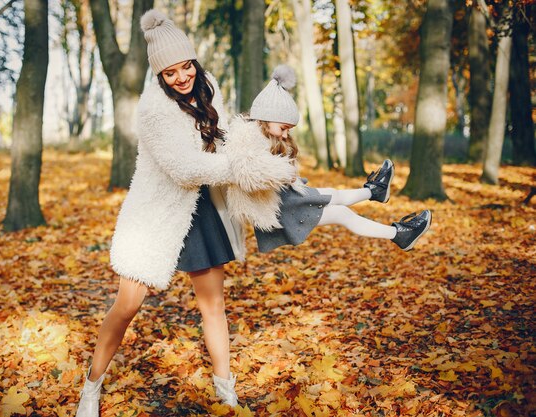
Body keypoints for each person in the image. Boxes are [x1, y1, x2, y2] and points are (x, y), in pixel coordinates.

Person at [75, 10, 297, 417]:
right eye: (170, 72)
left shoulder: (207, 86)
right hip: (157, 215)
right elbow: (184, 168)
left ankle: (225, 389)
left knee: (213, 305)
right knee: (126, 307)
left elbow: (224, 138)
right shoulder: (153, 111)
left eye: (185, 67)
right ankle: (91, 387)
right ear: (158, 76)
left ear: (194, 62)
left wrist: (259, 142)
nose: (181, 78)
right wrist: (242, 169)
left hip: (202, 211)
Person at [222, 65, 432, 253]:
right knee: (342, 214)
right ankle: (400, 234)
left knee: (334, 195)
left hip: (288, 199)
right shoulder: (245, 140)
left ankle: (375, 191)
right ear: (266, 119)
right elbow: (250, 174)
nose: (286, 135)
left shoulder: (266, 136)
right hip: (282, 210)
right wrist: (283, 171)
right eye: (283, 128)